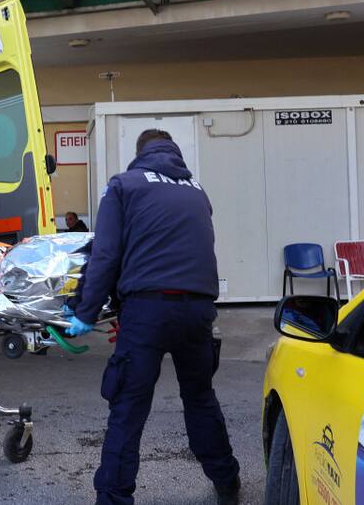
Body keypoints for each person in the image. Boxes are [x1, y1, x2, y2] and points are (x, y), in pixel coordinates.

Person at [65, 129, 240, 505]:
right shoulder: (197, 191)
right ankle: (227, 481)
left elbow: (106, 255)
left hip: (147, 310)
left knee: (128, 408)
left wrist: (85, 311)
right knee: (200, 397)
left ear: (140, 152)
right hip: (198, 311)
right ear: (173, 153)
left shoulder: (124, 185)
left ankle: (113, 498)